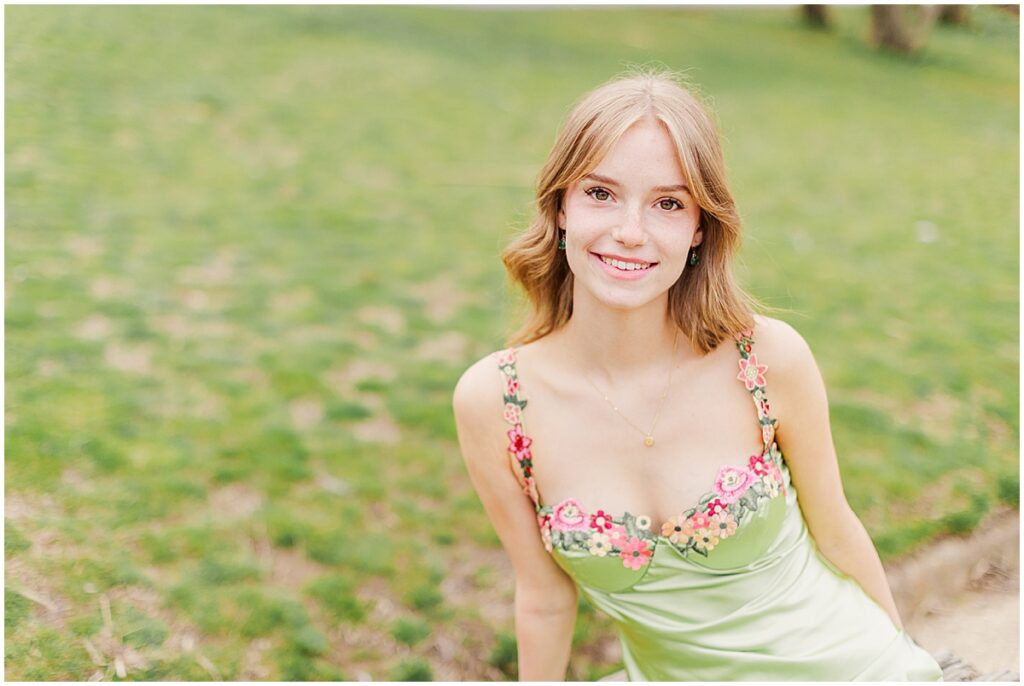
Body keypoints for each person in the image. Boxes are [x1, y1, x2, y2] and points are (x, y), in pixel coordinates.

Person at [452, 70, 943, 681]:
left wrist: (908, 662)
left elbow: (838, 530)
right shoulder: (497, 401)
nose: (630, 231)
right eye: (600, 193)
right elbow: (546, 599)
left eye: (667, 203)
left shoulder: (766, 359)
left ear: (698, 229)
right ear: (559, 207)